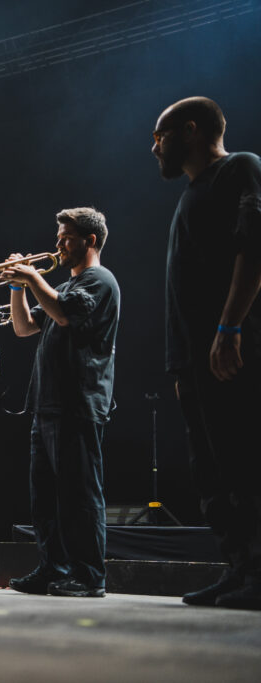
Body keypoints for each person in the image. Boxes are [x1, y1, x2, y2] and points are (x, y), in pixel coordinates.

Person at [152, 96, 261, 610]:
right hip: (195, 363)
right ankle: (240, 570)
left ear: (190, 131)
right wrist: (181, 366)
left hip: (231, 349)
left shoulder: (240, 168)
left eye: (161, 135)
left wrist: (230, 325)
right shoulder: (189, 196)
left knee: (245, 464)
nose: (154, 147)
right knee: (214, 475)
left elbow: (255, 244)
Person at [4, 208, 120, 598]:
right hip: (47, 405)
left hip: (78, 403)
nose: (57, 245)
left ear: (89, 240)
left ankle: (90, 576)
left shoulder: (100, 280)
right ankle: (53, 568)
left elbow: (66, 315)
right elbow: (23, 328)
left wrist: (33, 276)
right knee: (46, 499)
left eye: (65, 237)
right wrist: (17, 288)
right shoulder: (64, 288)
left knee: (79, 496)